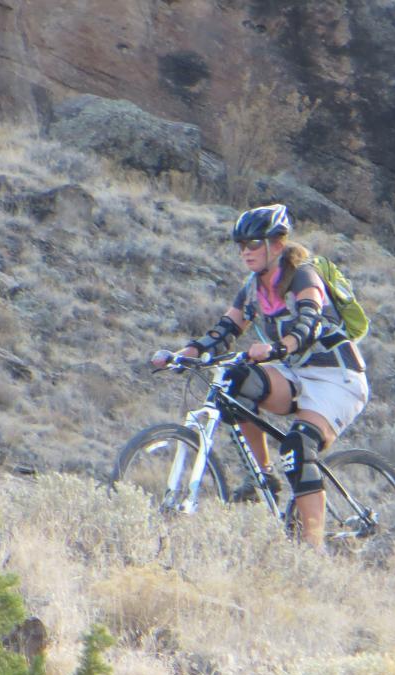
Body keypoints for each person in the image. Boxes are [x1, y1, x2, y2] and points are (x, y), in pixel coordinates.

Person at [157, 203, 369, 547]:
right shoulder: (253, 287)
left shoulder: (304, 274)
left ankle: (313, 555)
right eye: (240, 245)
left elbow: (309, 321)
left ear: (277, 243)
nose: (245, 251)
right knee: (239, 381)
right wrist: (188, 352)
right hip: (295, 372)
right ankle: (263, 478)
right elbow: (227, 328)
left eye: (253, 243)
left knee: (299, 447)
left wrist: (277, 348)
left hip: (338, 377)